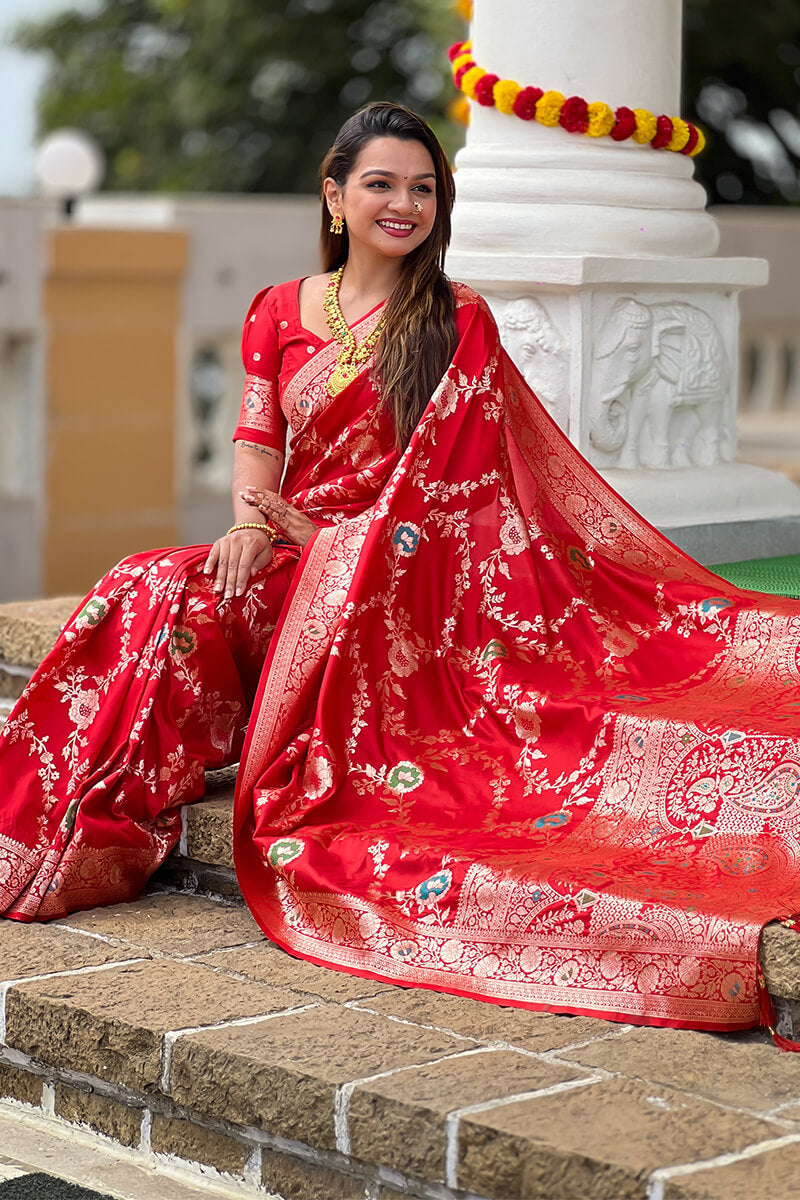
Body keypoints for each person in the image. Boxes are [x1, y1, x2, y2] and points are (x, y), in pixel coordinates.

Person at [1, 103, 799, 1047]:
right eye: (382, 184)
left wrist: (349, 538)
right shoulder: (276, 309)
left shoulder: (456, 320)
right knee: (151, 582)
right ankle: (62, 826)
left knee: (178, 597)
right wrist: (252, 525)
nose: (405, 204)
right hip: (288, 553)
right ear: (335, 195)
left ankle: (93, 828)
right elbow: (257, 439)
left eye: (424, 188)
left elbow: (469, 492)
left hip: (391, 580)